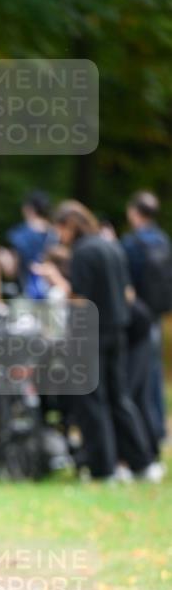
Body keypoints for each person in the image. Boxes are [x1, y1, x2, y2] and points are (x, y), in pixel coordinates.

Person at [50, 200, 155, 482]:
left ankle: (103, 468)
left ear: (70, 224)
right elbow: (127, 293)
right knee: (119, 398)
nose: (59, 236)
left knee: (91, 402)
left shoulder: (83, 252)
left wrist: (56, 280)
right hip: (118, 330)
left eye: (59, 229)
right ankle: (142, 463)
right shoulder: (112, 246)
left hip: (90, 333)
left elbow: (80, 299)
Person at [121, 190, 171, 444]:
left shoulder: (132, 243)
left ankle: (145, 429)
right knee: (154, 372)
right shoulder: (163, 240)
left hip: (137, 317)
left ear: (135, 212)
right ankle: (159, 427)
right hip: (157, 313)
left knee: (138, 377)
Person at [5, 190, 56, 300]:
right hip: (53, 297)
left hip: (24, 296)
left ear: (29, 209)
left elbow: (11, 270)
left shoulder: (20, 233)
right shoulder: (57, 234)